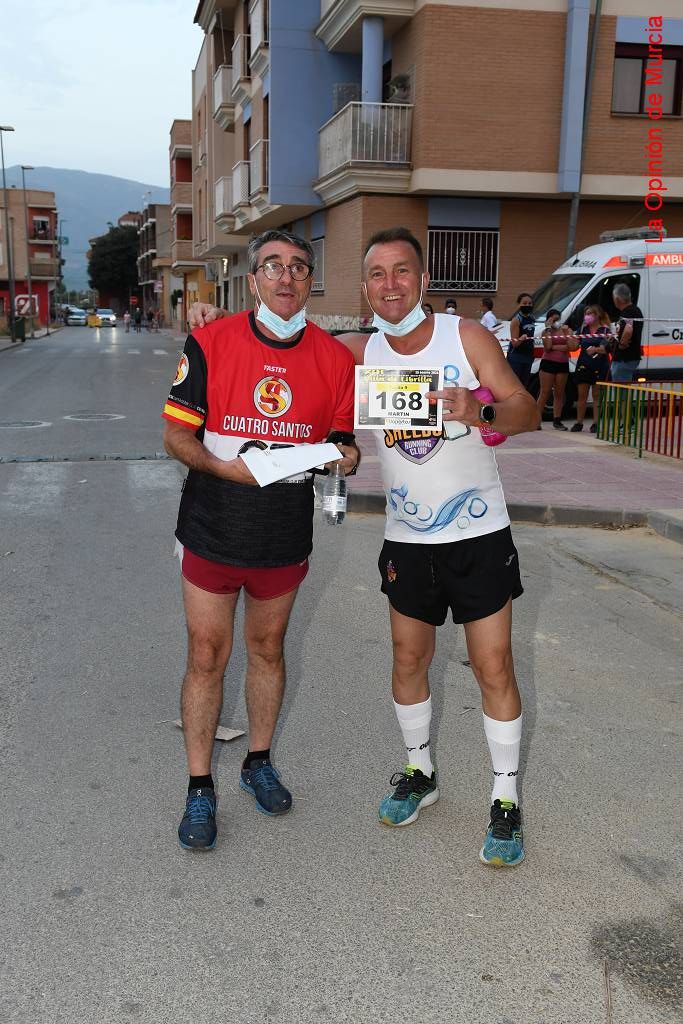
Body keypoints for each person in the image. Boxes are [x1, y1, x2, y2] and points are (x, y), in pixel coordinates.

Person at [189, 227, 539, 867]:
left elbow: (527, 410)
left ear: (423, 279)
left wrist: (478, 411)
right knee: (408, 662)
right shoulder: (357, 349)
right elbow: (281, 338)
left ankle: (506, 799)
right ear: (365, 288)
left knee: (494, 667)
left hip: (479, 532)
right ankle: (419, 773)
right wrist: (212, 318)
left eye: (402, 271)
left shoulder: (467, 339)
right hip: (406, 536)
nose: (390, 284)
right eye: (377, 274)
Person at [163, 229, 359, 851]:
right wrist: (225, 470)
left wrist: (345, 459)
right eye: (273, 265)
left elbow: (344, 441)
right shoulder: (210, 340)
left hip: (283, 537)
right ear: (253, 280)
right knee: (205, 655)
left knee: (269, 649)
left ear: (309, 280)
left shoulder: (334, 359)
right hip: (211, 529)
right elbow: (176, 437)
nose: (286, 277)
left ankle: (257, 761)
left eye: (299, 268)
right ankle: (199, 785)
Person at [571, 304, 611, 432]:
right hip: (584, 365)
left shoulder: (605, 331)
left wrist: (596, 349)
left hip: (600, 365)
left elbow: (607, 349)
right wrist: (568, 335)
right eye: (586, 314)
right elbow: (574, 346)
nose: (587, 317)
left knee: (597, 395)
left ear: (597, 315)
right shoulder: (583, 329)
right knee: (581, 396)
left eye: (590, 314)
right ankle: (579, 422)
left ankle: (596, 423)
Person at [536, 308, 571, 430]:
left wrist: (558, 345)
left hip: (563, 363)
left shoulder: (565, 329)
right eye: (554, 319)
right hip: (548, 363)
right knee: (544, 392)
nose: (556, 321)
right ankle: (536, 420)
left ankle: (557, 420)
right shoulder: (546, 331)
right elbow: (548, 347)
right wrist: (548, 328)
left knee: (559, 393)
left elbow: (571, 346)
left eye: (558, 319)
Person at [611, 284, 643, 383]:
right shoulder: (636, 310)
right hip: (631, 357)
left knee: (621, 391)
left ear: (617, 299)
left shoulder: (627, 313)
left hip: (624, 358)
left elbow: (628, 329)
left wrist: (621, 344)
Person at [507, 292, 536, 387]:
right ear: (519, 304)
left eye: (530, 303)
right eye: (524, 303)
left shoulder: (532, 318)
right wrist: (521, 339)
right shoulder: (516, 320)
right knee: (515, 385)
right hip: (516, 356)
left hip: (528, 356)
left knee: (525, 384)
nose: (527, 305)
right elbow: (515, 343)